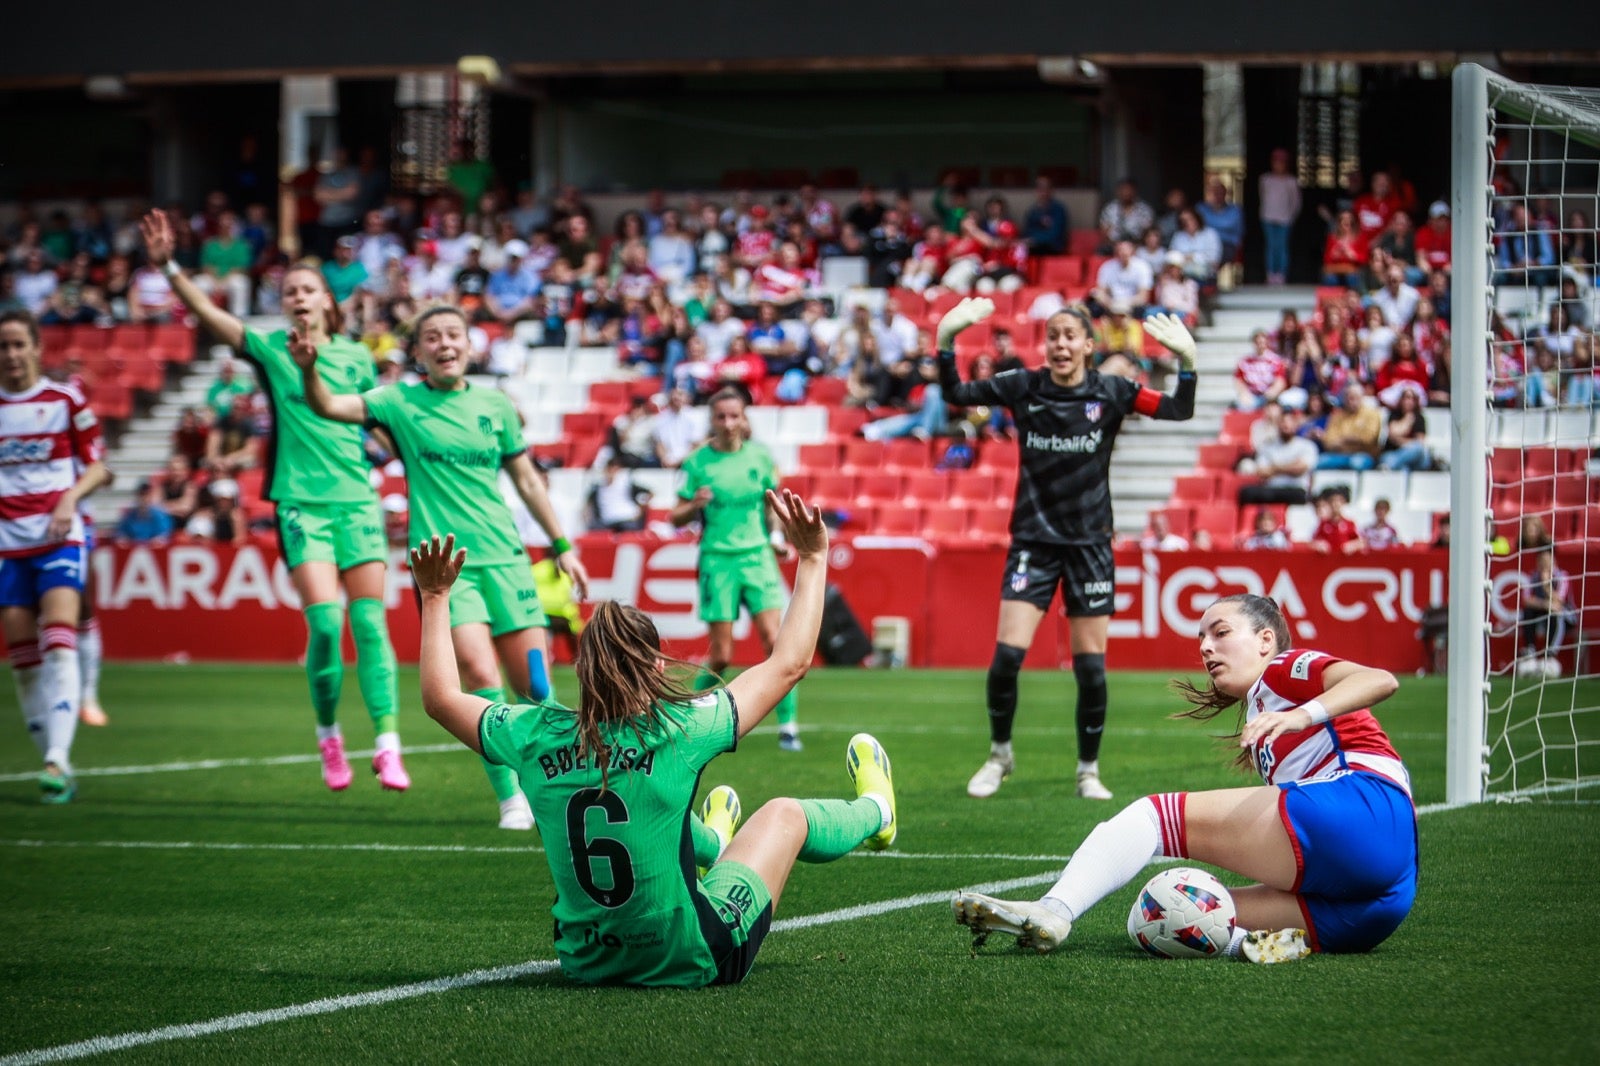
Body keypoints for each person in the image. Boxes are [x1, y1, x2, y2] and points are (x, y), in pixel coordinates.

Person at [408, 491, 898, 988]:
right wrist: (813, 559)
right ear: (657, 666)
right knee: (783, 815)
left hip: (586, 965)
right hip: (693, 958)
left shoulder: (532, 732)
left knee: (641, 800)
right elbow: (788, 663)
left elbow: (441, 698)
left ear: (583, 670)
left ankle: (716, 840)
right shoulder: (681, 727)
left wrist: (434, 597)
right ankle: (878, 811)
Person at [953, 593, 1416, 963]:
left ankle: (1052, 909)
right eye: (1201, 639)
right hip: (1380, 899)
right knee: (1166, 913)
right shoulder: (1262, 708)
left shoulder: (1282, 669)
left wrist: (1302, 715)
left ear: (1265, 639)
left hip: (1362, 808)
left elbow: (1380, 680)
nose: (1206, 647)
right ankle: (1245, 946)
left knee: (1154, 817)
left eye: (1220, 632)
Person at [140, 209, 410, 794]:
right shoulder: (269, 348)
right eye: (290, 291)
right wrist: (168, 267)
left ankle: (388, 745)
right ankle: (329, 737)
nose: (299, 297)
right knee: (326, 624)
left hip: (357, 502)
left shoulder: (358, 358)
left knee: (369, 622)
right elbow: (213, 317)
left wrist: (412, 455)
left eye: (308, 288)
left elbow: (380, 425)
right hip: (300, 504)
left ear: (328, 302)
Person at [293, 304, 591, 830]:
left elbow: (525, 480)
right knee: (478, 672)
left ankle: (554, 787)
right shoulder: (398, 402)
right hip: (447, 567)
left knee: (538, 690)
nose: (445, 343)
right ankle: (511, 800)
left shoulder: (495, 405)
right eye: (433, 337)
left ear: (470, 346)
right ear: (418, 351)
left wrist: (562, 544)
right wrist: (309, 369)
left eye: (454, 334)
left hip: (508, 559)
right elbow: (329, 406)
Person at [935, 298, 1199, 801]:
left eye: (1070, 336)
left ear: (1088, 345)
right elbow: (955, 391)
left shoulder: (1115, 392)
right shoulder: (1022, 385)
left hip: (1090, 544)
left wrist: (1186, 364)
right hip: (1033, 541)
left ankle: (1088, 770)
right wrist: (947, 342)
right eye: (1053, 335)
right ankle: (999, 755)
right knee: (1007, 658)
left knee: (1090, 667)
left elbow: (1179, 409)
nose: (1060, 344)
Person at [0, 310, 111, 803]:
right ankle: (54, 761)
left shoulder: (65, 398)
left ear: (37, 348)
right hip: (9, 545)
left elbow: (99, 467)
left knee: (60, 639)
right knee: (23, 661)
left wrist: (70, 497)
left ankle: (57, 760)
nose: (10, 354)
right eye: (3, 346)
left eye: (19, 344)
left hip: (59, 537)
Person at [672, 388, 803, 752]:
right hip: (717, 559)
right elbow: (675, 514)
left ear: (744, 418)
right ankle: (682, 718)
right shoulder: (698, 463)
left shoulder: (760, 458)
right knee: (722, 655)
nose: (729, 423)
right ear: (712, 420)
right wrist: (694, 504)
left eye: (735, 416)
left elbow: (772, 506)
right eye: (721, 417)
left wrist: (776, 536)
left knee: (777, 643)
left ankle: (788, 727)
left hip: (757, 557)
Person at [1258, 148, 1302, 285]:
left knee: (1282, 247)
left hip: (1285, 219)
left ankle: (1281, 274)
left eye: (1281, 162)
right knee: (1271, 246)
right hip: (1268, 217)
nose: (1278, 165)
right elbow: (1262, 196)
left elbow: (1296, 202)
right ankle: (1270, 274)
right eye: (1276, 162)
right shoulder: (1265, 179)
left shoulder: (1291, 181)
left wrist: (1291, 215)